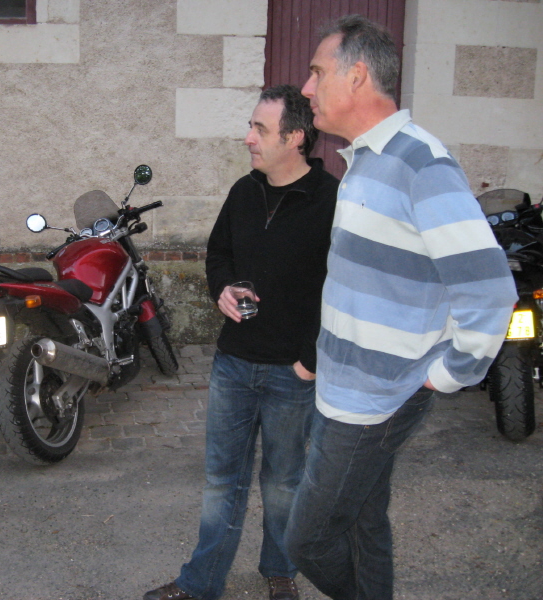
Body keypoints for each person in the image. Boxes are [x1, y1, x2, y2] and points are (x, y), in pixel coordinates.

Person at [284, 15, 518, 600]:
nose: (307, 88)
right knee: (365, 522)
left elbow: (490, 290)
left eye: (317, 73)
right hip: (344, 385)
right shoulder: (364, 160)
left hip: (376, 400)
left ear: (357, 76)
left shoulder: (421, 164)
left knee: (307, 540)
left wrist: (447, 374)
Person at [144, 85, 339, 600]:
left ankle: (280, 569)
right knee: (220, 482)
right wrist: (222, 289)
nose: (248, 137)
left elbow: (343, 288)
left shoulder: (331, 200)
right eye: (251, 126)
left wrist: (310, 361)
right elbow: (218, 255)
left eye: (260, 129)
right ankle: (201, 582)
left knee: (283, 483)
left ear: (295, 138)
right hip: (233, 363)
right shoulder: (243, 192)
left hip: (293, 372)